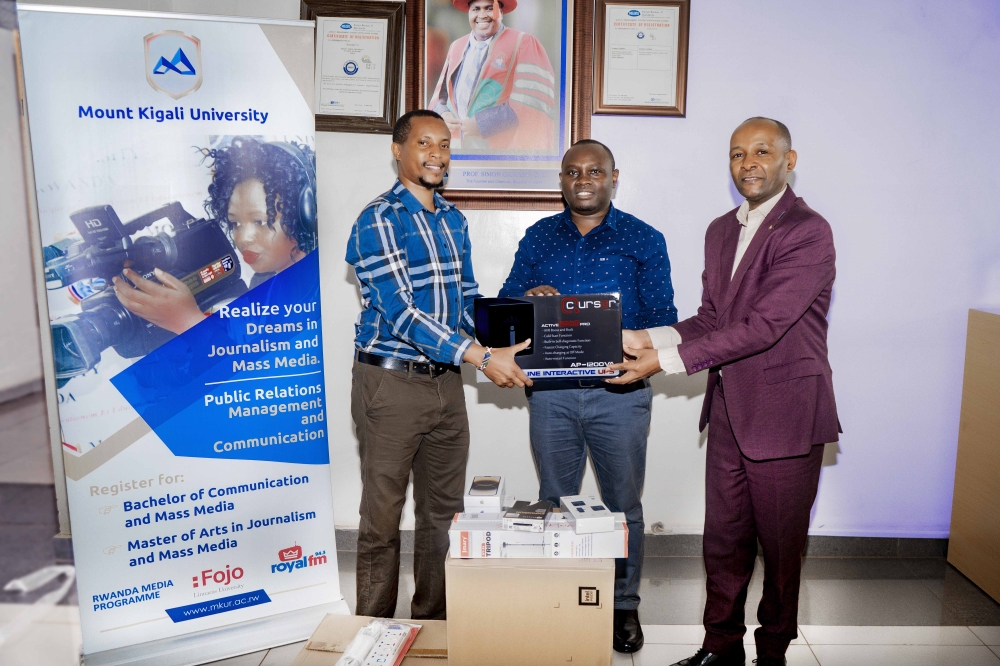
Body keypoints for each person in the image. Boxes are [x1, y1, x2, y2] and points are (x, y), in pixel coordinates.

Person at [608, 117, 840, 666]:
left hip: (785, 413)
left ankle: (775, 652)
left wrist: (659, 364)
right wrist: (639, 336)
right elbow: (713, 318)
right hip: (731, 411)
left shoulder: (807, 230)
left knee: (781, 551)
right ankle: (720, 648)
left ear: (790, 159)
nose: (748, 163)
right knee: (723, 542)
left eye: (762, 151)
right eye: (737, 154)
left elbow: (764, 325)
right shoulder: (720, 229)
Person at [346, 109, 532, 620]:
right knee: (381, 522)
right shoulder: (378, 219)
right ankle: (373, 632)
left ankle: (431, 625)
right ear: (398, 150)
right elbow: (402, 313)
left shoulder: (453, 219)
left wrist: (518, 339)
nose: (437, 154)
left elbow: (467, 299)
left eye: (445, 145)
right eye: (425, 143)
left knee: (443, 516)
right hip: (390, 383)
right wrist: (480, 357)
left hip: (446, 385)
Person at [498, 139, 678, 653]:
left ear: (612, 177)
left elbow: (665, 317)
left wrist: (619, 330)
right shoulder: (538, 237)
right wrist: (525, 299)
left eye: (594, 171)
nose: (583, 179)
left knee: (623, 505)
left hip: (618, 392)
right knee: (555, 502)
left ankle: (623, 607)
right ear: (561, 179)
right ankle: (562, 601)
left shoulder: (644, 239)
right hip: (550, 393)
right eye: (573, 171)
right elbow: (505, 298)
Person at [113, 136, 316, 334]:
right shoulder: (262, 280)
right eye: (235, 223)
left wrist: (188, 321)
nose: (243, 238)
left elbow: (277, 360)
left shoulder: (319, 289)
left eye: (260, 221)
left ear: (304, 214)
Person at [429, 0, 557, 152]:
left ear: (501, 12)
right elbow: (441, 95)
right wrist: (442, 113)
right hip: (456, 152)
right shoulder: (456, 46)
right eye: (476, 9)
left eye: (489, 9)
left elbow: (529, 105)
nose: (482, 15)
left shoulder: (522, 44)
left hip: (499, 154)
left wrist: (482, 123)